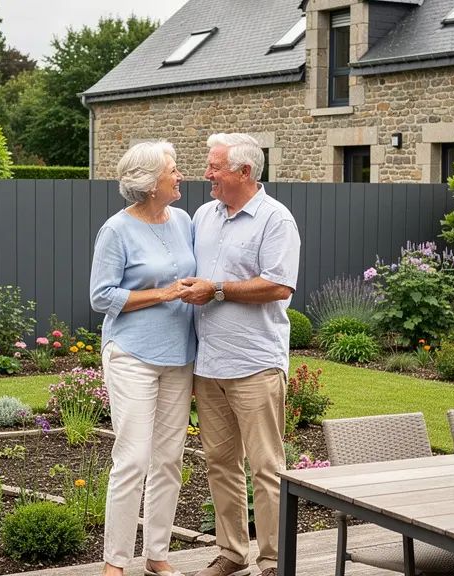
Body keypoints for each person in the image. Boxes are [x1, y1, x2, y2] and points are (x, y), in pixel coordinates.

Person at [179, 133, 302, 576]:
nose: (207, 175)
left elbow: (278, 285)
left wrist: (216, 289)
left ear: (245, 172)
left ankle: (272, 561)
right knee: (220, 463)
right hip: (208, 364)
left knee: (266, 468)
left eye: (215, 168)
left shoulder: (275, 220)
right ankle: (232, 553)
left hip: (254, 364)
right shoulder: (203, 215)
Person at [89, 141, 196, 576]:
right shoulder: (116, 230)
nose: (179, 176)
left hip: (179, 356)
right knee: (132, 459)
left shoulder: (185, 220)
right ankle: (115, 562)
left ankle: (156, 555)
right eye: (173, 170)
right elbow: (100, 296)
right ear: (151, 184)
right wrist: (163, 293)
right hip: (132, 354)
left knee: (169, 458)